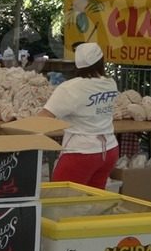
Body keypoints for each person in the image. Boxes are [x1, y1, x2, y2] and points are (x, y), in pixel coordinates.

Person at [38, 42, 119, 189]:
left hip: (82, 152)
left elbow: (43, 119)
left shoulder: (70, 88)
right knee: (91, 200)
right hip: (109, 150)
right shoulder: (110, 83)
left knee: (60, 199)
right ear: (101, 62)